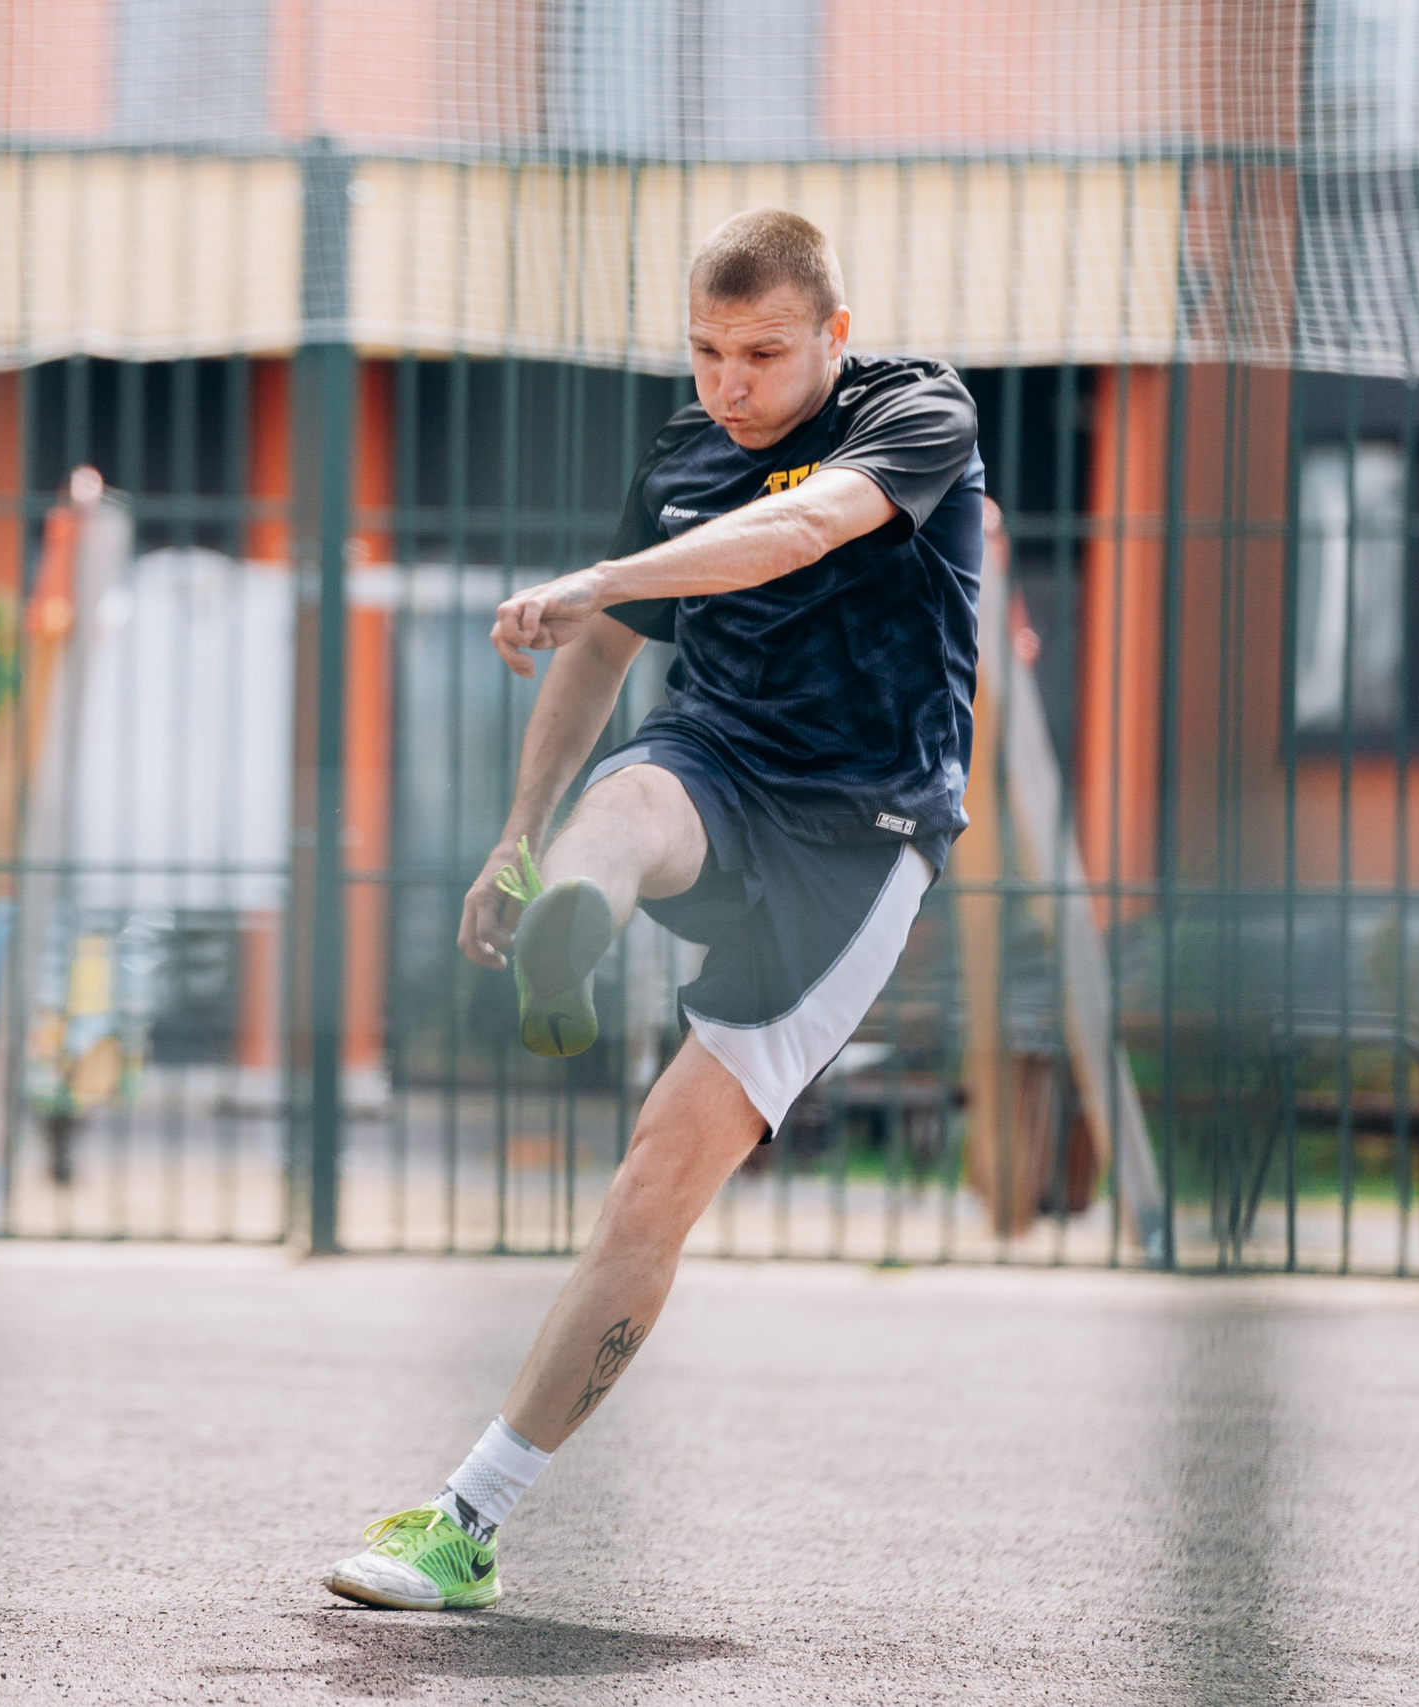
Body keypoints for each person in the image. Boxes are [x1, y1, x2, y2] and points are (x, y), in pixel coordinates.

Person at [325, 207, 985, 1610]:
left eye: (764, 353)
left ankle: (467, 1515)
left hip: (860, 837)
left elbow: (796, 530)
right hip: (719, 764)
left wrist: (602, 578)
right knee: (625, 800)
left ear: (835, 334)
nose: (729, 384)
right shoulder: (683, 454)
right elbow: (602, 656)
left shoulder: (917, 413)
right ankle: (569, 924)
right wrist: (516, 839)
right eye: (706, 351)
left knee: (654, 1179)